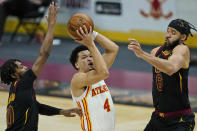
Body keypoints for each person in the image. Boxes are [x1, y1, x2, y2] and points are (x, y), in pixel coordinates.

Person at [0, 2, 81, 131]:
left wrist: (61, 111)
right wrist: (52, 25)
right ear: (14, 75)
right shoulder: (23, 83)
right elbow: (44, 54)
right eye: (20, 67)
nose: (26, 67)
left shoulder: (18, 89)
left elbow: (36, 106)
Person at [128, 19, 197, 131]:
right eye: (168, 31)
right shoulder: (155, 51)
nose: (168, 35)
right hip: (158, 119)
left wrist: (142, 54)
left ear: (183, 37)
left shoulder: (182, 49)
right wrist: (144, 55)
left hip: (180, 121)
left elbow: (170, 68)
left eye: (173, 33)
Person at [69, 25, 119, 131]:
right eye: (84, 57)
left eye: (91, 56)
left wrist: (92, 34)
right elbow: (104, 73)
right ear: (76, 64)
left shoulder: (97, 71)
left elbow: (113, 49)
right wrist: (90, 44)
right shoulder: (77, 79)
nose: (89, 59)